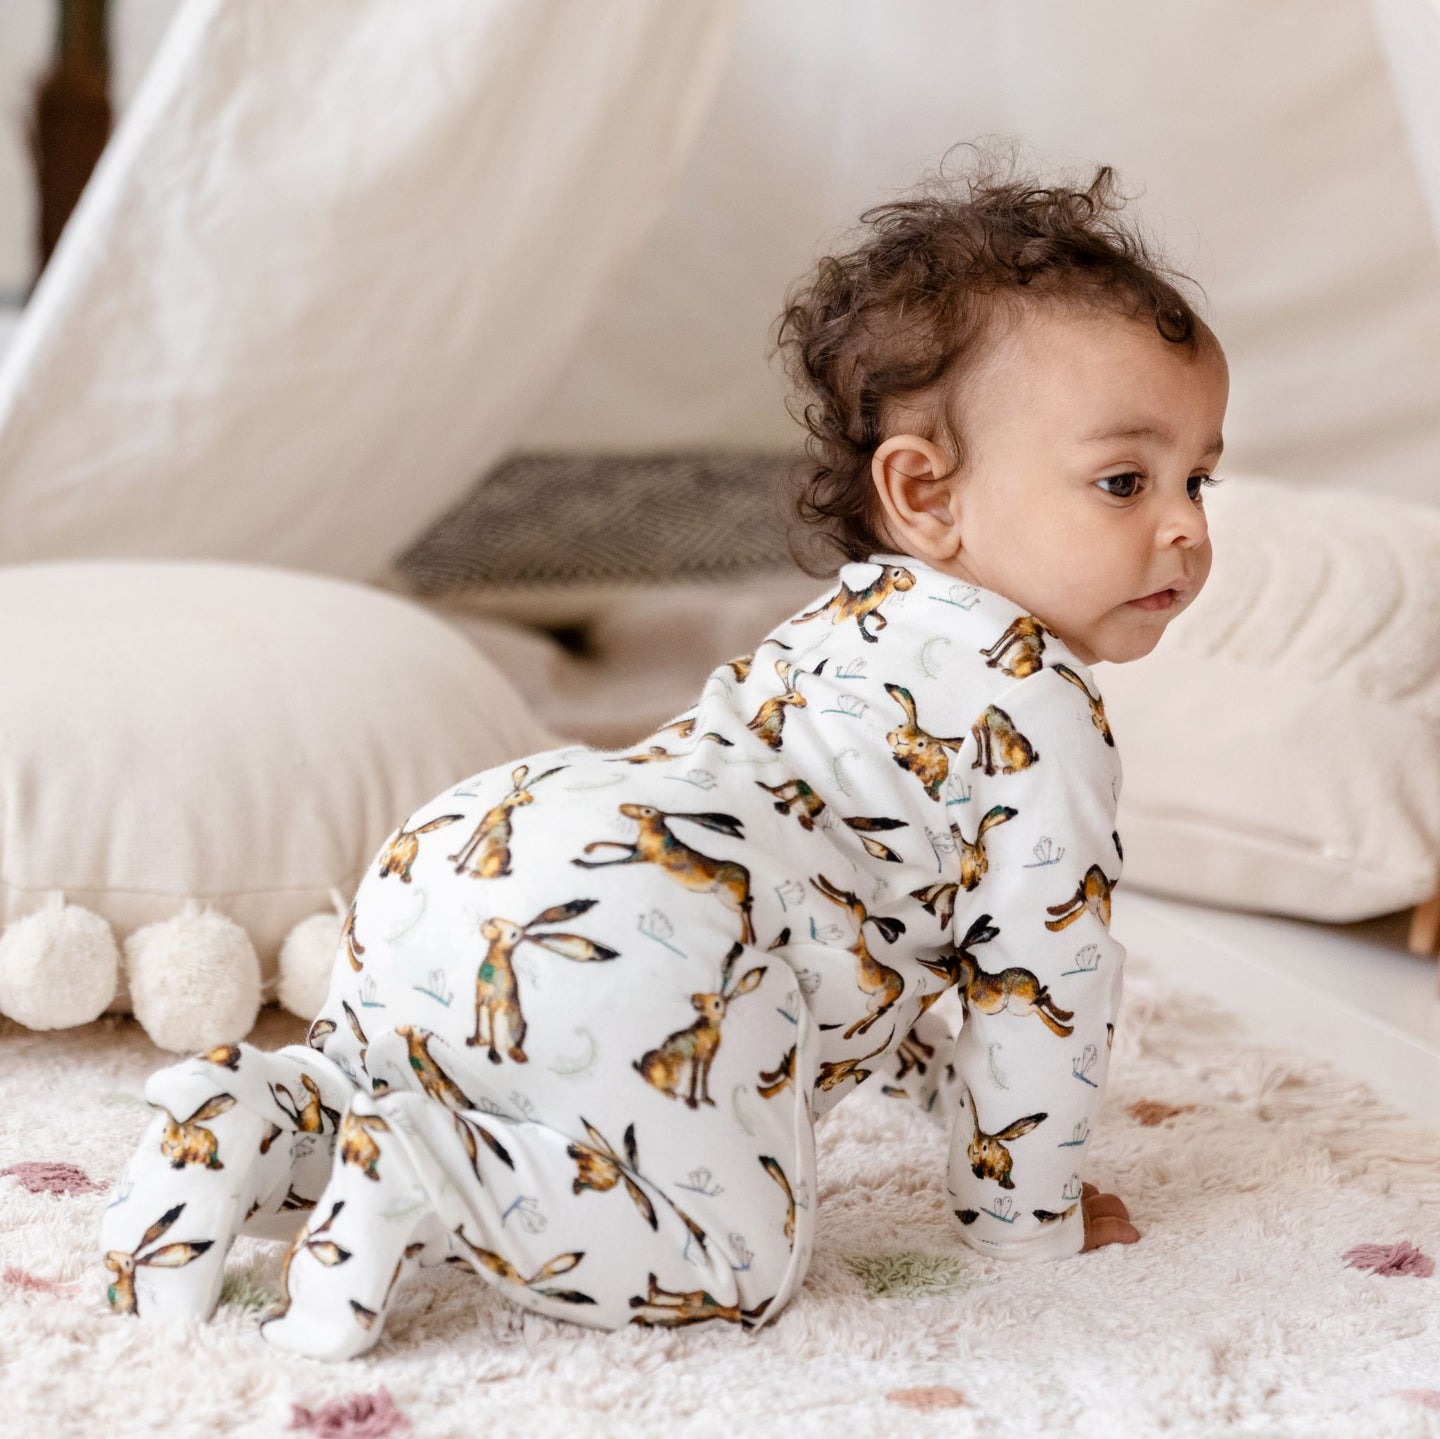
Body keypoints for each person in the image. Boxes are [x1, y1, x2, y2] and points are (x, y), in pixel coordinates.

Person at [100, 154, 1225, 1360]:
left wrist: (936, 1095)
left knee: (435, 1073)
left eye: (1201, 476)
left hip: (485, 833)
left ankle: (255, 1120)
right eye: (1125, 480)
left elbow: (894, 966)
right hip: (668, 914)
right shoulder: (1037, 702)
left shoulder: (839, 626)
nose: (1187, 526)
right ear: (925, 492)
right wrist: (1025, 1219)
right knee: (728, 1256)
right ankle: (427, 1177)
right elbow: (1038, 992)